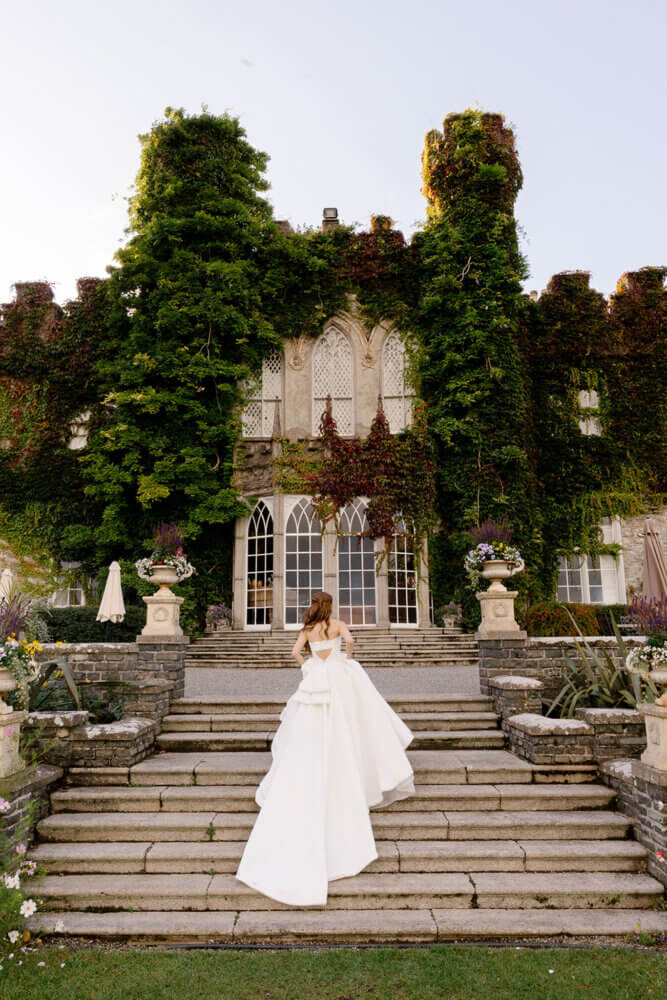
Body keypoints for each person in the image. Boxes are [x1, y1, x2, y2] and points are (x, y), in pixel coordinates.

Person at [235, 591, 415, 906]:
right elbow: (352, 642)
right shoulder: (337, 624)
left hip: (316, 676)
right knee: (350, 716)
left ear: (313, 607)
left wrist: (308, 666)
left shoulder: (306, 631)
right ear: (330, 606)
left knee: (308, 719)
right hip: (336, 674)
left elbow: (294, 654)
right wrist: (345, 657)